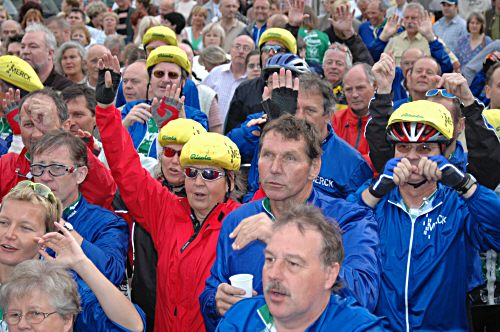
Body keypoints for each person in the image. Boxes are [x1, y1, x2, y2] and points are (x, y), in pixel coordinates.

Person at [94, 52, 243, 331]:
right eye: (191, 172)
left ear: (230, 182)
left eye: (210, 174)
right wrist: (106, 109)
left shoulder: (243, 223)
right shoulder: (166, 210)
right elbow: (126, 167)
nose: (198, 182)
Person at [200, 115, 380, 331]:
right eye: (268, 155)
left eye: (290, 158)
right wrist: (216, 302)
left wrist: (281, 239)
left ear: (314, 167)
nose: (275, 168)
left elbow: (364, 294)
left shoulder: (349, 220)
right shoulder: (238, 219)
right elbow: (213, 287)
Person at [353, 100, 500, 331]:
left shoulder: (460, 205)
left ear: (445, 151)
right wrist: (372, 194)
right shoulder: (375, 200)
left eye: (424, 148)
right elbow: (333, 236)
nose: (411, 157)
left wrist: (466, 186)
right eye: (403, 147)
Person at [0, 181, 144, 332]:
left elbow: (132, 327)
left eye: (25, 228)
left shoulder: (59, 286)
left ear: (47, 238)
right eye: (3, 222)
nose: (9, 234)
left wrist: (81, 263)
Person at [216, 204, 385, 331]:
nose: (274, 274)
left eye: (293, 263)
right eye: (270, 259)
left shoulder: (359, 328)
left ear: (329, 274)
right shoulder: (239, 318)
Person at [0, 88, 116, 208]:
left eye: (44, 123)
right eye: (28, 124)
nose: (36, 134)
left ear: (65, 126)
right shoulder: (6, 164)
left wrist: (74, 147)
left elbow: (104, 194)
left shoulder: (80, 163)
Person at [120, 45, 207, 159]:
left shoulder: (197, 117)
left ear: (183, 82)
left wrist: (181, 122)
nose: (165, 79)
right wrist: (124, 124)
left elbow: (198, 156)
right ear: (150, 79)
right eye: (159, 74)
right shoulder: (131, 109)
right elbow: (109, 149)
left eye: (172, 75)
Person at [224, 27, 297, 134]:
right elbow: (231, 132)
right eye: (266, 49)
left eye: (278, 49)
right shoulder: (244, 89)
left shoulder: (301, 89)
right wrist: (253, 132)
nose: (271, 53)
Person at [202, 35, 255, 123]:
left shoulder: (253, 80)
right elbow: (202, 99)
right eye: (237, 47)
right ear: (230, 50)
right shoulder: (216, 73)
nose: (241, 51)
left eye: (246, 48)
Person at [332, 63, 375, 166]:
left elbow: (382, 162)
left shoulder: (384, 120)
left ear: (375, 86)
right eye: (349, 90)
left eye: (360, 88)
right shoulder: (336, 119)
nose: (354, 95)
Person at [20, 23, 75, 91]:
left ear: (50, 53)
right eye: (22, 47)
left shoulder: (66, 89)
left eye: (33, 46)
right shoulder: (14, 85)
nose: (25, 51)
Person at [322, 43, 352, 111]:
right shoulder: (315, 88)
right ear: (323, 66)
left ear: (348, 68)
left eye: (339, 64)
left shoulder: (352, 93)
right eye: (329, 62)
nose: (333, 67)